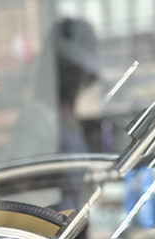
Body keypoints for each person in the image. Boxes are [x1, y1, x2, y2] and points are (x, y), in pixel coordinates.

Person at [10, 17, 100, 209]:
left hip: (70, 222)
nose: (76, 80)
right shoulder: (36, 117)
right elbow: (18, 180)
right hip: (48, 223)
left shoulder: (67, 120)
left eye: (79, 73)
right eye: (70, 71)